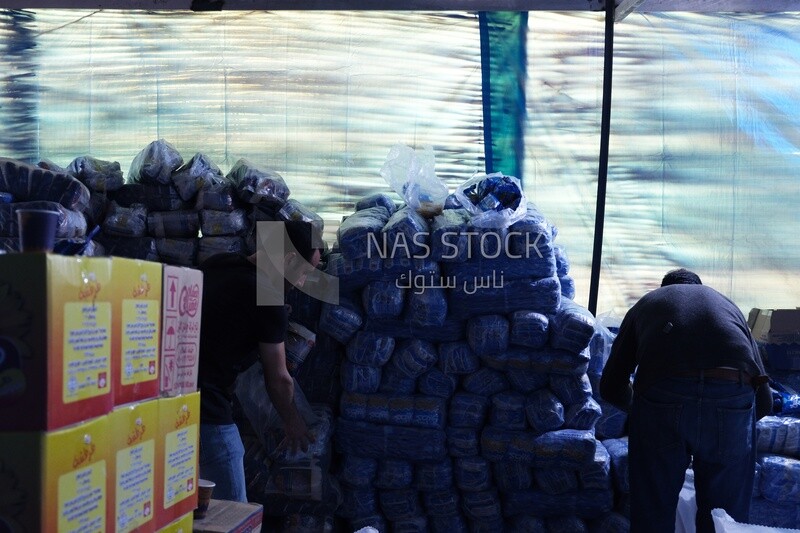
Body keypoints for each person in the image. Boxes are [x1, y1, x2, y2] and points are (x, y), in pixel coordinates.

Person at [600, 268, 772, 533]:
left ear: (663, 288)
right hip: (732, 395)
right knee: (723, 518)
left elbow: (611, 385)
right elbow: (764, 401)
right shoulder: (728, 306)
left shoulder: (648, 303)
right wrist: (731, 424)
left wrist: (645, 412)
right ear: (700, 286)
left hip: (664, 393)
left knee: (654, 509)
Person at [197, 219, 322, 502]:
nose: (303, 282)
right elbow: (277, 379)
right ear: (289, 259)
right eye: (304, 272)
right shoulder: (267, 298)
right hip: (208, 410)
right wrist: (292, 421)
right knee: (233, 514)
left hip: (168, 403)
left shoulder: (220, 263)